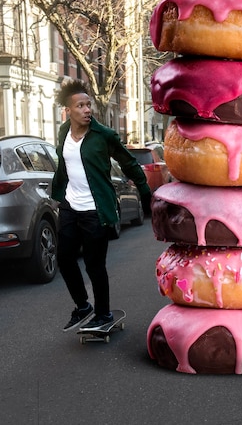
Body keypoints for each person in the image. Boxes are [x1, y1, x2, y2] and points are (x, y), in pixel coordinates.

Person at [52, 79, 151, 330]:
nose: (87, 110)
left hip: (95, 210)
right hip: (70, 206)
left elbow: (128, 163)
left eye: (89, 105)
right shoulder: (64, 132)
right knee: (64, 257)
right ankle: (83, 306)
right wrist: (59, 193)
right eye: (81, 106)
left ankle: (103, 313)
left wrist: (146, 193)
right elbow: (64, 166)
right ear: (68, 110)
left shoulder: (103, 135)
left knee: (95, 264)